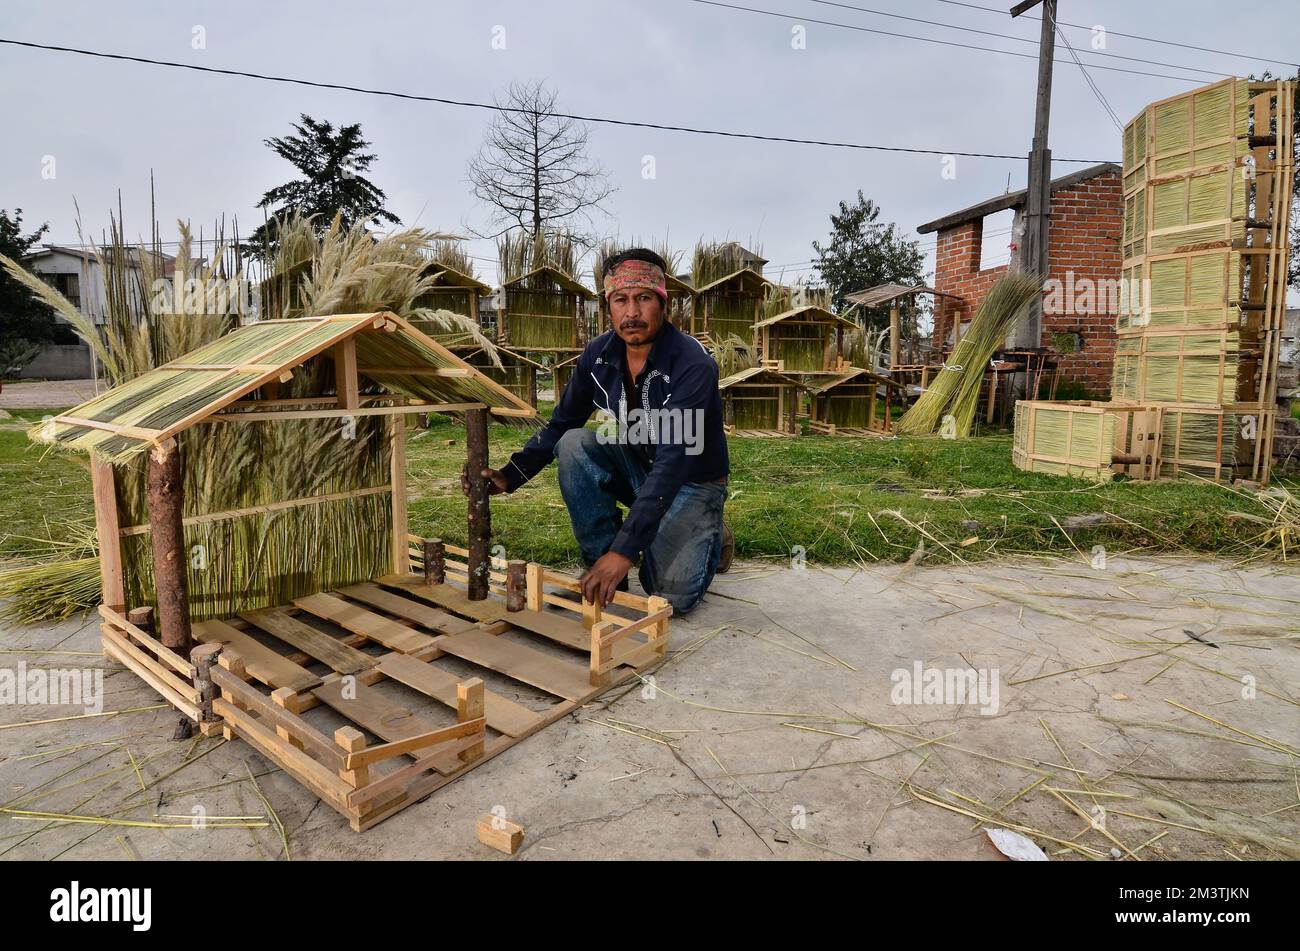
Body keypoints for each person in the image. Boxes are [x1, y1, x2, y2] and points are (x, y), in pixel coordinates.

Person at [463, 248, 733, 614]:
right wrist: (511, 476)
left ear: (663, 303)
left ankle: (711, 531)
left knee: (669, 597)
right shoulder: (599, 355)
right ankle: (603, 565)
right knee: (573, 444)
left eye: (643, 299)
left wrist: (627, 549)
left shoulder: (692, 364)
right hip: (639, 467)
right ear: (609, 307)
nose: (632, 312)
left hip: (691, 480)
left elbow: (674, 460)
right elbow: (562, 423)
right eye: (620, 300)